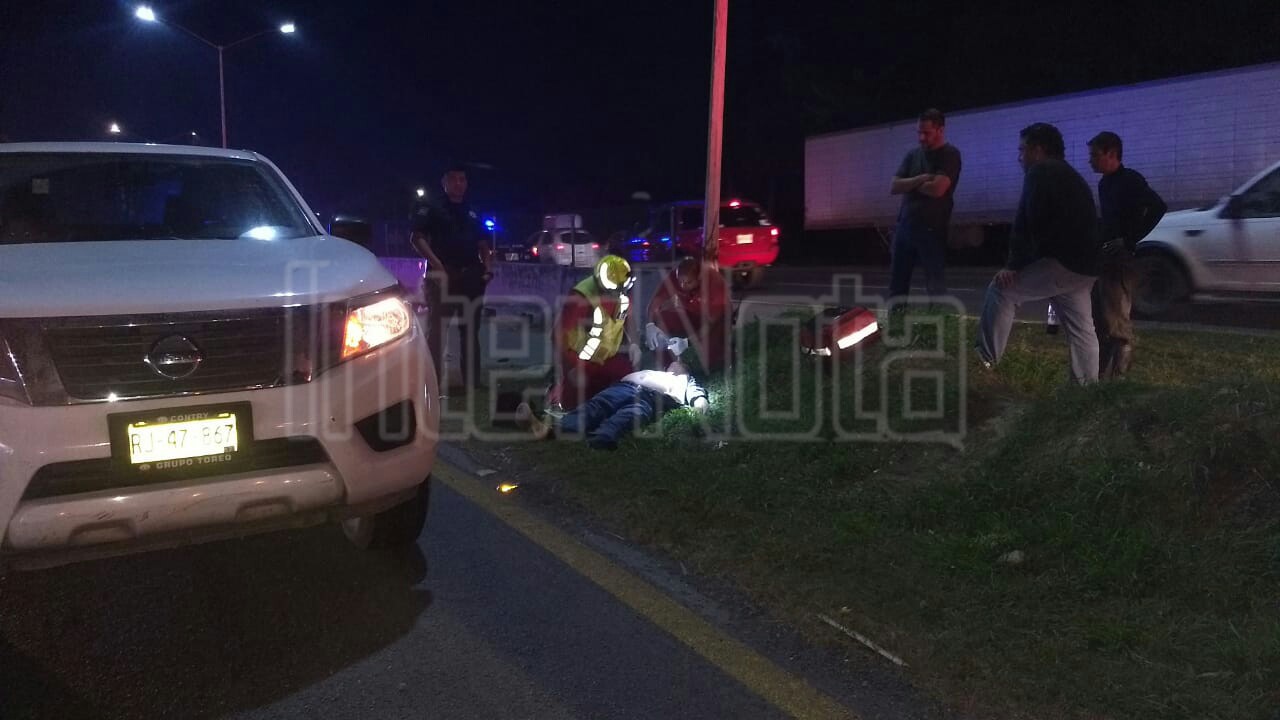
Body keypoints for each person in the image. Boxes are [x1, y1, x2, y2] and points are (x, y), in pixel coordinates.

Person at [977, 123, 1101, 383]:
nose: (1019, 157)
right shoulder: (1070, 175)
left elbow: (1028, 221)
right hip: (1086, 266)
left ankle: (984, 365)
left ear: (1038, 149)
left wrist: (1014, 265)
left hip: (1062, 262)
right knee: (1082, 331)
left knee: (1002, 290)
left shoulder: (1040, 171)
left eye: (1022, 150)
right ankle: (1087, 390)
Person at [1087, 131, 1167, 378]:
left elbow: (1157, 207)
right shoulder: (1104, 184)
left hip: (1120, 261)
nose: (1090, 161)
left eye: (1095, 155)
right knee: (1101, 319)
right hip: (1105, 257)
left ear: (1112, 153)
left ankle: (1119, 380)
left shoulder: (1130, 180)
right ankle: (1100, 375)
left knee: (1117, 323)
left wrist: (1129, 240)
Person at [410, 164, 492, 391]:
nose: (459, 184)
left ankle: (473, 383)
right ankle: (432, 381)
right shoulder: (431, 207)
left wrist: (487, 270)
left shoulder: (473, 209)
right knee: (437, 332)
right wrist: (437, 266)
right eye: (454, 179)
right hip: (442, 278)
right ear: (444, 182)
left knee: (470, 331)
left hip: (471, 278)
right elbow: (416, 238)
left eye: (462, 179)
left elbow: (484, 243)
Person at [517, 362, 708, 450]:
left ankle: (601, 439)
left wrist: (699, 414)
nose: (673, 365)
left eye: (678, 364)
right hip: (624, 387)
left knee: (628, 416)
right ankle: (547, 430)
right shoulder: (656, 371)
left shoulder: (685, 380)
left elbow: (699, 398)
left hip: (651, 399)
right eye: (672, 364)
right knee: (596, 407)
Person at [888, 108, 963, 302]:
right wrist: (921, 179)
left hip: (932, 230)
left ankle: (937, 328)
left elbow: (938, 189)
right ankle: (897, 327)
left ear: (940, 130)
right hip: (904, 228)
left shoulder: (949, 154)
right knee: (897, 286)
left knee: (935, 286)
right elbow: (894, 186)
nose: (922, 138)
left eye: (926, 133)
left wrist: (909, 184)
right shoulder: (913, 155)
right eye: (919, 132)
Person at [549, 254, 639, 411]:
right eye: (613, 292)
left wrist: (635, 345)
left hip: (607, 358)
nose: (617, 296)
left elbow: (629, 319)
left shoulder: (621, 288)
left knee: (630, 386)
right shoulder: (580, 298)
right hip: (579, 361)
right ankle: (556, 394)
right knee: (574, 406)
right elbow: (557, 336)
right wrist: (566, 371)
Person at [646, 256, 731, 372]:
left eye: (688, 282)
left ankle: (721, 356)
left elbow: (712, 322)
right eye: (680, 282)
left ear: (699, 278)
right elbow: (655, 301)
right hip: (692, 313)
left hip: (717, 319)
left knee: (711, 358)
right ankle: (668, 366)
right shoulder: (674, 278)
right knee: (663, 318)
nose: (683, 286)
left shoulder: (713, 282)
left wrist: (687, 342)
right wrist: (650, 325)